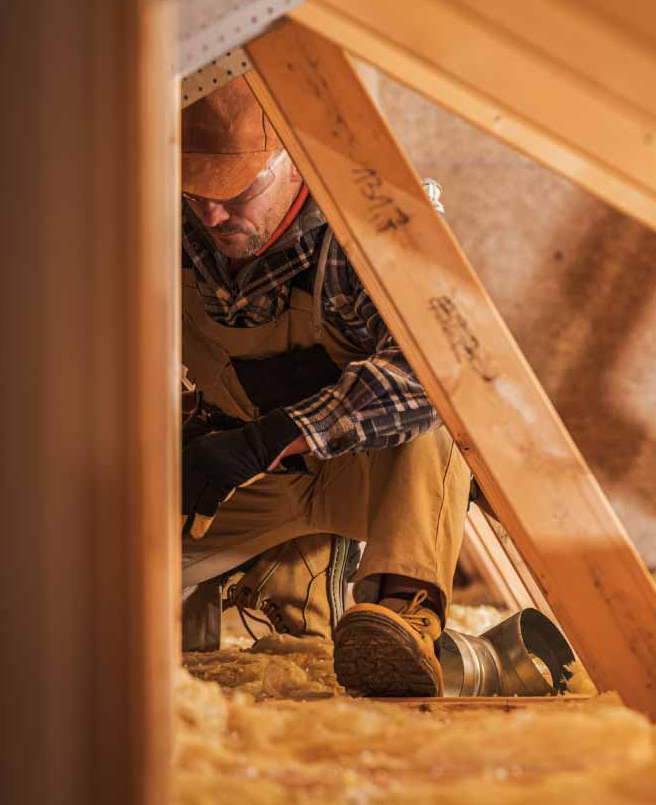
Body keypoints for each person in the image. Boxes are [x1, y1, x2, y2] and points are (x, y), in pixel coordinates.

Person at [177, 77, 469, 697]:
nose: (212, 213)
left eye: (235, 193)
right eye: (196, 192)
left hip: (370, 477)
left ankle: (400, 609)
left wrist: (275, 436)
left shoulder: (370, 219)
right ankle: (292, 574)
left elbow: (437, 366)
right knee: (90, 579)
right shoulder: (174, 225)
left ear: (293, 160)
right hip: (243, 473)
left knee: (436, 408)